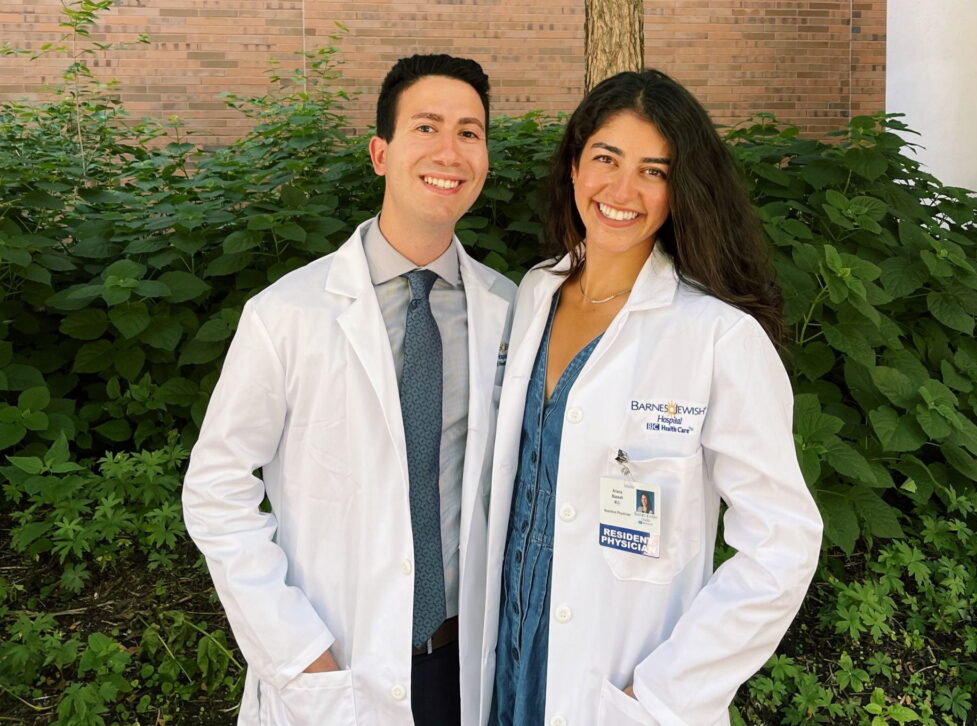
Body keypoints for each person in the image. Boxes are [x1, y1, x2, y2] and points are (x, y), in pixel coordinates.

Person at [480, 70, 823, 726]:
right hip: (506, 671)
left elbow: (782, 544)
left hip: (616, 689)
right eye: (606, 159)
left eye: (654, 171)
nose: (622, 190)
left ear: (680, 190)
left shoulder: (717, 336)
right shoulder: (532, 295)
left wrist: (665, 694)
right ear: (575, 163)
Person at [182, 54, 516, 726]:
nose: (449, 150)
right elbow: (217, 488)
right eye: (426, 127)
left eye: (470, 132)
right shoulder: (287, 313)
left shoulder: (512, 314)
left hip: (470, 664)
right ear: (380, 153)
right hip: (335, 662)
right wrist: (298, 653)